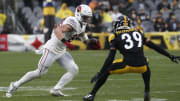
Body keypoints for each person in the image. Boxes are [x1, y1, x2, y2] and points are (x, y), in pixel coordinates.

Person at [83, 16, 180, 101]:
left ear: (118, 24)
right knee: (146, 63)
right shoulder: (138, 32)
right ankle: (147, 91)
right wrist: (170, 56)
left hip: (127, 65)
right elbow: (153, 46)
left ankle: (92, 94)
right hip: (142, 67)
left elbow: (110, 57)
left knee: (107, 71)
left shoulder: (115, 36)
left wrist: (100, 73)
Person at [6, 4, 93, 98]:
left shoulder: (81, 24)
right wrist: (66, 42)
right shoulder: (72, 21)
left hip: (61, 50)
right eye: (85, 17)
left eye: (88, 17)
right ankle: (14, 85)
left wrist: (90, 42)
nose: (86, 19)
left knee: (74, 69)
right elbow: (57, 30)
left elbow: (81, 33)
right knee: (39, 73)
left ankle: (56, 89)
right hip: (51, 49)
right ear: (78, 14)